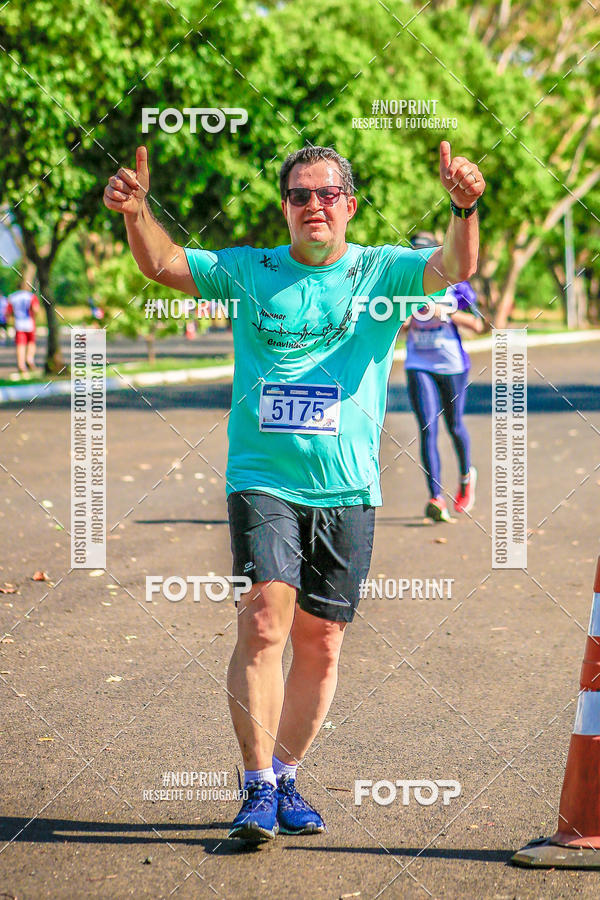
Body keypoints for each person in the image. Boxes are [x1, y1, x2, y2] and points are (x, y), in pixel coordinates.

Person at [103, 141, 485, 842]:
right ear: (285, 206)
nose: (314, 205)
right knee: (264, 619)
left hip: (347, 486)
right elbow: (163, 264)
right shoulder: (251, 270)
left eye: (327, 194)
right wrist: (136, 212)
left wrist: (464, 206)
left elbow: (456, 267)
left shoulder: (382, 271)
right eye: (300, 195)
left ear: (350, 204)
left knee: (323, 641)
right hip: (263, 477)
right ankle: (253, 788)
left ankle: (284, 776)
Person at [402, 232, 483, 522]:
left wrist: (445, 312)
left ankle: (465, 477)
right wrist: (405, 319)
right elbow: (396, 327)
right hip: (418, 363)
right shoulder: (406, 285)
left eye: (424, 255)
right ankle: (436, 498)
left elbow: (478, 323)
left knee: (455, 426)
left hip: (452, 365)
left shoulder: (455, 284)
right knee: (427, 428)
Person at [6, 288, 39, 374]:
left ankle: (21, 365)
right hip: (30, 323)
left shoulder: (12, 297)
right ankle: (29, 359)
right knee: (31, 342)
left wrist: (8, 323)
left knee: (20, 344)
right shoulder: (31, 296)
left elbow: (8, 313)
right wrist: (35, 317)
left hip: (18, 324)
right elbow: (35, 309)